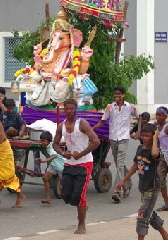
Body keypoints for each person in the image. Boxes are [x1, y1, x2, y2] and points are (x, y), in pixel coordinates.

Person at [116, 124, 168, 240]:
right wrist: (123, 180)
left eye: (148, 136)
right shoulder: (140, 149)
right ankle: (165, 235)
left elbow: (154, 154)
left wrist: (155, 137)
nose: (144, 138)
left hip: (152, 188)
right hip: (143, 187)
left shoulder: (156, 150)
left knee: (142, 215)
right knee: (150, 213)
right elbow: (135, 165)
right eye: (143, 136)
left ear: (153, 136)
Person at [53, 98, 100, 234]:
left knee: (79, 196)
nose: (69, 111)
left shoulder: (82, 124)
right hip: (69, 163)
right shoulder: (61, 126)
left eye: (71, 108)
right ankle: (83, 205)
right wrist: (63, 153)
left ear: (75, 109)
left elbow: (95, 141)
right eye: (66, 109)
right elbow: (55, 144)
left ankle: (81, 224)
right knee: (66, 196)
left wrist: (81, 153)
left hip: (84, 163)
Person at [92, 86, 140, 203]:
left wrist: (138, 131)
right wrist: (91, 129)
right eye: (115, 94)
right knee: (120, 163)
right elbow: (103, 121)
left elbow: (140, 118)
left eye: (118, 94)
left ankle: (116, 190)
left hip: (124, 137)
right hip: (113, 137)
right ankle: (128, 183)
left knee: (119, 164)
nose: (116, 96)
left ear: (123, 95)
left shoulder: (130, 107)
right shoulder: (110, 107)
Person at [36, 130, 66, 204]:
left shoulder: (51, 147)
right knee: (45, 178)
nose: (42, 142)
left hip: (61, 166)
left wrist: (44, 161)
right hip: (54, 165)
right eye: (41, 141)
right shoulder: (48, 146)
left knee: (65, 183)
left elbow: (54, 155)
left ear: (49, 141)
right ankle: (48, 198)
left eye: (44, 141)